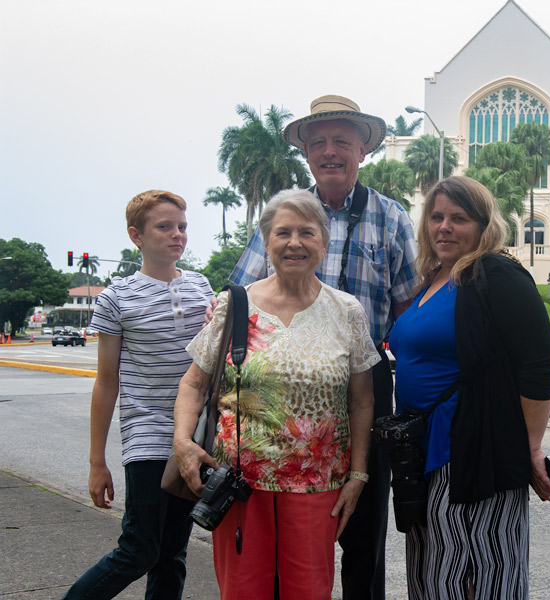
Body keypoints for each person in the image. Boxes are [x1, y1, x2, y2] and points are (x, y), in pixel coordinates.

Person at [228, 94, 418, 599]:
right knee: (281, 518)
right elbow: (237, 303)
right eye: (318, 143)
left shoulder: (391, 217)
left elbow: (409, 312)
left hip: (365, 376)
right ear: (307, 154)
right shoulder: (283, 218)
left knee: (364, 517)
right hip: (284, 380)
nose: (330, 151)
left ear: (363, 149)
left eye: (341, 141)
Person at [174, 189, 379, 598]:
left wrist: (358, 474)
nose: (295, 243)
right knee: (243, 591)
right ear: (266, 243)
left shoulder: (347, 311)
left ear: (324, 241)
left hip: (316, 485)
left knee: (309, 591)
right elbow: (194, 383)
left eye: (307, 232)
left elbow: (361, 400)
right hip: (238, 486)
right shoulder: (234, 304)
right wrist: (182, 442)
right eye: (283, 233)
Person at [388, 176, 550, 599]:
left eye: (459, 218)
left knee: (481, 570)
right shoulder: (430, 280)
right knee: (434, 572)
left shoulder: (495, 274)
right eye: (437, 217)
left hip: (473, 449)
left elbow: (538, 364)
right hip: (423, 451)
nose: (444, 227)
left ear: (484, 226)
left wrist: (532, 446)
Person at [62, 190, 214, 600]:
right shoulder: (117, 297)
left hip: (195, 437)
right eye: (164, 227)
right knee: (138, 550)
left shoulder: (202, 288)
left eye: (182, 227)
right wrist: (98, 461)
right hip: (148, 435)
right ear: (137, 235)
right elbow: (106, 381)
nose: (177, 235)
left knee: (172, 554)